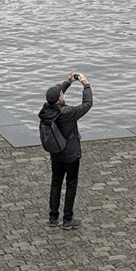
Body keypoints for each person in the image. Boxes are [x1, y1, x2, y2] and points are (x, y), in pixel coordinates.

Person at [38, 70, 92, 229]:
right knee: (70, 184)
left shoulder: (47, 110)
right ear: (61, 97)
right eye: (62, 93)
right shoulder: (67, 113)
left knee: (55, 183)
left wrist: (68, 82)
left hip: (56, 153)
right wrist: (85, 84)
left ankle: (53, 217)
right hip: (71, 155)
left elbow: (55, 95)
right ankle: (68, 219)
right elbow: (87, 104)